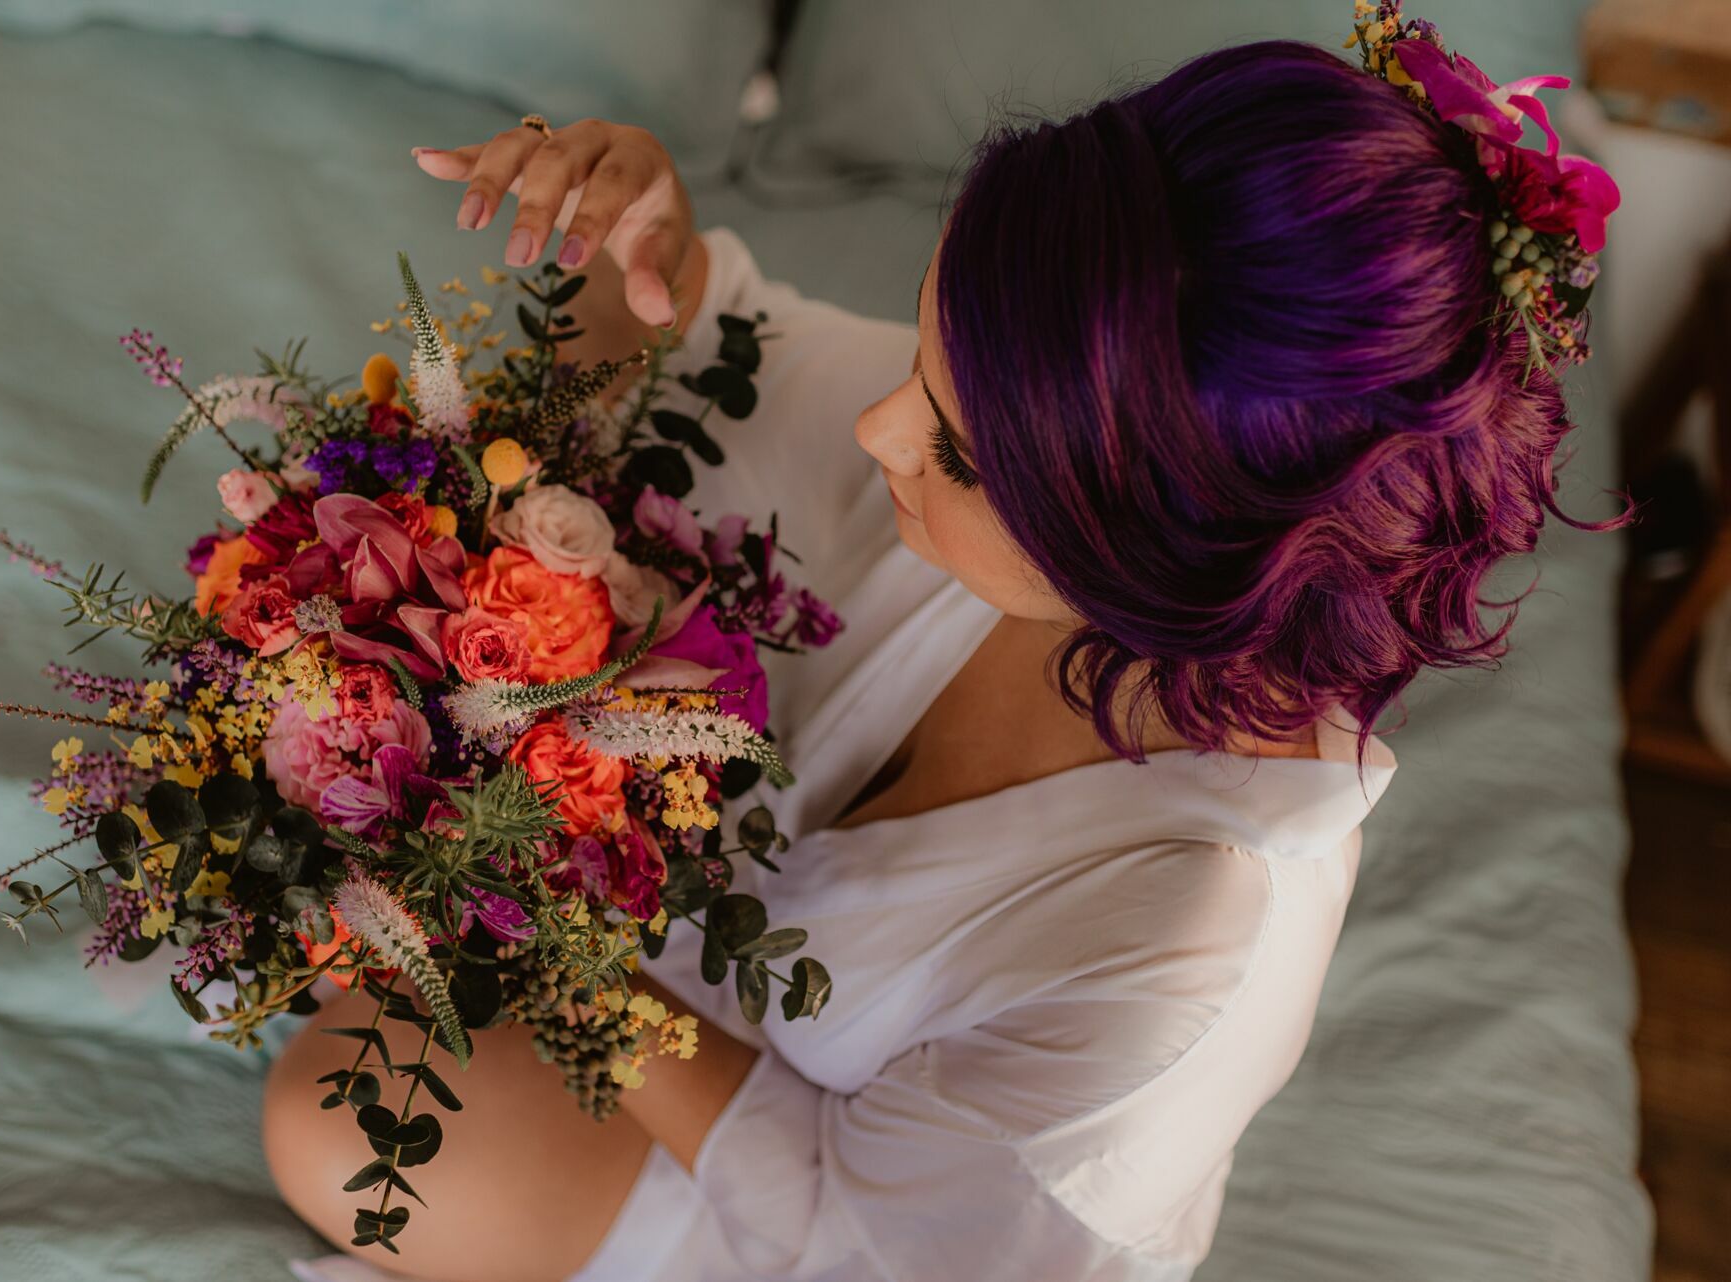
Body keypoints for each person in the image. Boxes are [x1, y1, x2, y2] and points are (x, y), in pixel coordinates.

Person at [263, 26, 1624, 1282]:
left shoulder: (1171, 957)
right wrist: (645, 232)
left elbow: (855, 1232)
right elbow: (705, 359)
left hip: (844, 1218)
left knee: (336, 1119)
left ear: (1150, 555)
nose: (878, 430)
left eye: (955, 447)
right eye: (926, 350)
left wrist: (577, 964)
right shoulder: (1056, 485)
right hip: (680, 967)